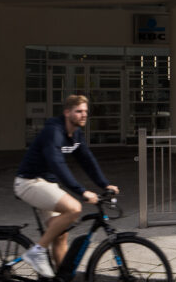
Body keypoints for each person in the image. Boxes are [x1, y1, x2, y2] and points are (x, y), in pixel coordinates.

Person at [14, 94, 119, 278]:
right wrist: (82, 191)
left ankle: (61, 278)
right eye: (79, 111)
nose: (84, 115)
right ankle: (37, 252)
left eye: (86, 111)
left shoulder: (75, 134)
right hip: (29, 182)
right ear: (67, 112)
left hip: (47, 184)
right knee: (74, 208)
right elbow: (57, 165)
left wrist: (105, 184)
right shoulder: (53, 132)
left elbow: (87, 160)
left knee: (61, 235)